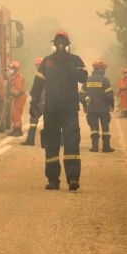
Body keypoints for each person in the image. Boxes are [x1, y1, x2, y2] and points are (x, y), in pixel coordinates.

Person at [29, 32, 88, 191]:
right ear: (53, 45)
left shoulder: (75, 60)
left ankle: (73, 178)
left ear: (68, 44)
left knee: (71, 144)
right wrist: (34, 101)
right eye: (58, 42)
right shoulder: (47, 61)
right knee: (51, 146)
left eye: (63, 42)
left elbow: (83, 78)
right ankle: (53, 180)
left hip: (69, 110)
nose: (60, 45)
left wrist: (68, 64)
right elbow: (38, 83)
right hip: (51, 110)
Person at [84, 59, 115, 153]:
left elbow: (81, 94)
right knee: (105, 128)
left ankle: (95, 147)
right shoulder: (104, 80)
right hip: (103, 109)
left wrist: (85, 103)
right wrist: (112, 104)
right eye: (104, 68)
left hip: (92, 109)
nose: (104, 70)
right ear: (101, 69)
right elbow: (109, 94)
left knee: (94, 129)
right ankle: (106, 147)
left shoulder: (88, 79)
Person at [20, 56, 44, 146]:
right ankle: (30, 140)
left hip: (43, 101)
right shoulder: (40, 75)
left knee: (50, 121)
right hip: (41, 101)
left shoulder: (44, 75)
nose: (37, 67)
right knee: (33, 120)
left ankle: (31, 140)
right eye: (36, 65)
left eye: (39, 65)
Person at [5, 60, 27, 137]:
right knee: (14, 114)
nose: (9, 69)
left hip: (20, 97)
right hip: (17, 97)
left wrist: (11, 96)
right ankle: (15, 129)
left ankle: (18, 130)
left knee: (16, 114)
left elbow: (18, 89)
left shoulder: (18, 77)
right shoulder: (13, 76)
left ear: (15, 69)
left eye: (10, 68)